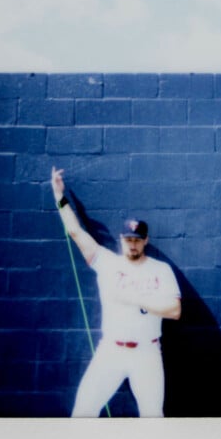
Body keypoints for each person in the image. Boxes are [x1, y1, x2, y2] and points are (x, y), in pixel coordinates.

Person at [51, 166, 181, 418]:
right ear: (121, 239)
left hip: (147, 353)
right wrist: (59, 196)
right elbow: (76, 232)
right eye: (128, 239)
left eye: (137, 239)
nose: (132, 244)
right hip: (111, 350)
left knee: (153, 416)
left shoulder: (161, 269)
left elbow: (174, 310)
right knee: (83, 412)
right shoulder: (107, 262)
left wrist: (136, 300)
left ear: (145, 240)